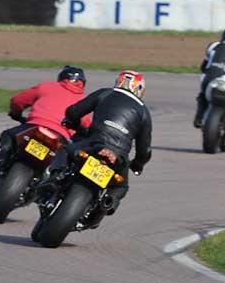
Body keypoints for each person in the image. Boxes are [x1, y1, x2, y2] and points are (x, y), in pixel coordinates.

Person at [49, 70, 152, 216]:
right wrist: (138, 164)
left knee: (65, 150)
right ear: (140, 89)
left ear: (119, 81)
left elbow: (74, 111)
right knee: (119, 187)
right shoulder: (143, 112)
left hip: (94, 143)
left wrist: (71, 121)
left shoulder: (105, 93)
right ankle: (107, 203)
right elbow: (145, 149)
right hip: (119, 156)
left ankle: (55, 178)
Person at [0, 66, 90, 176]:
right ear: (82, 83)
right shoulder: (83, 100)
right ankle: (52, 179)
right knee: (61, 165)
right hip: (61, 136)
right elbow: (86, 125)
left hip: (35, 126)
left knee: (8, 135)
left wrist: (16, 113)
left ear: (61, 77)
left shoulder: (46, 86)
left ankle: (0, 161)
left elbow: (18, 100)